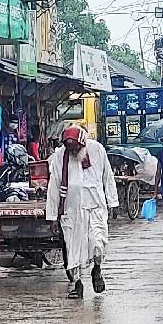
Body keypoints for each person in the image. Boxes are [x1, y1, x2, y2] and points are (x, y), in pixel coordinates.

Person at [45, 124, 114, 299]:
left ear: (82, 144)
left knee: (98, 243)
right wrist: (53, 216)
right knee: (73, 250)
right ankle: (77, 284)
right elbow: (53, 186)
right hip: (71, 211)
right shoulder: (60, 156)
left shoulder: (97, 150)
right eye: (69, 147)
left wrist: (112, 202)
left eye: (75, 147)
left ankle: (97, 270)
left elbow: (108, 176)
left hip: (95, 208)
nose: (72, 151)